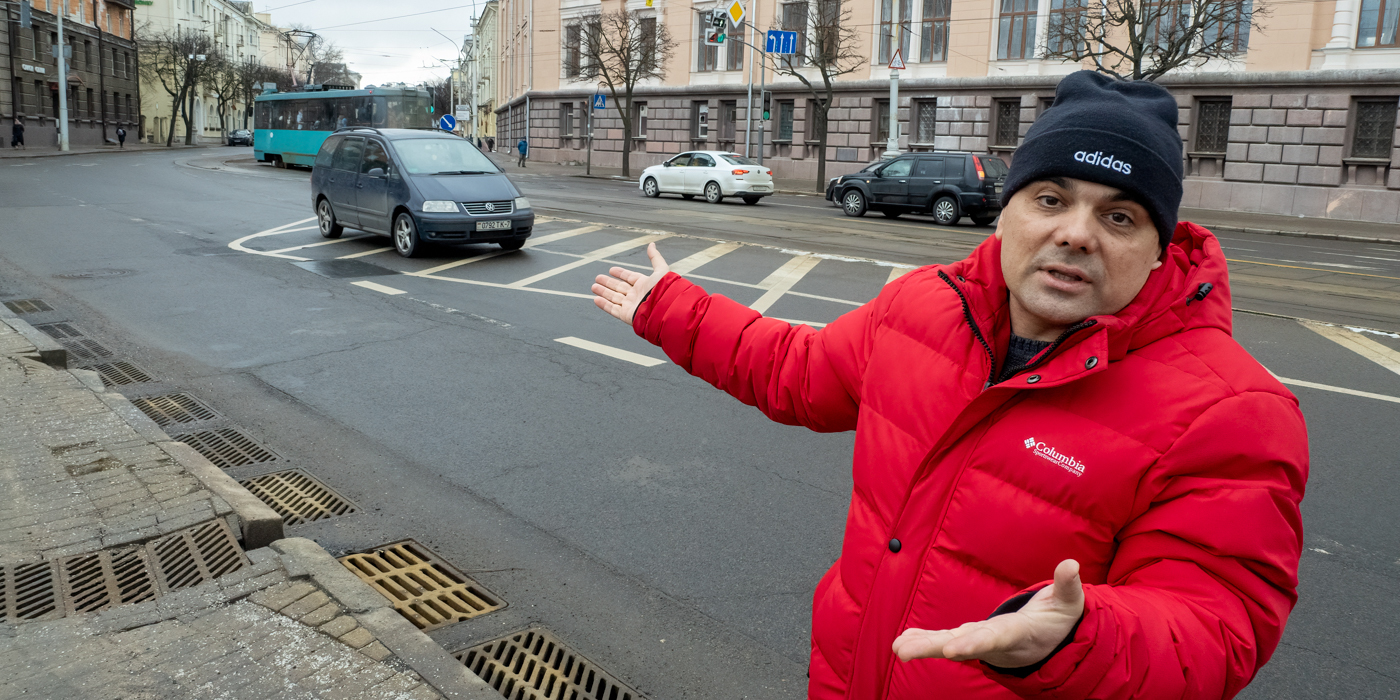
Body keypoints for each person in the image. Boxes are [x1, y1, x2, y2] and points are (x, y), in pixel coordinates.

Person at [590, 71, 1307, 700]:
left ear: (1160, 249)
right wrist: (671, 308)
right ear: (1008, 212)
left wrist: (1078, 640)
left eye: (1119, 216)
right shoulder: (921, 308)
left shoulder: (1233, 412)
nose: (1077, 233)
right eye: (1051, 199)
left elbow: (1217, 626)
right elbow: (798, 371)